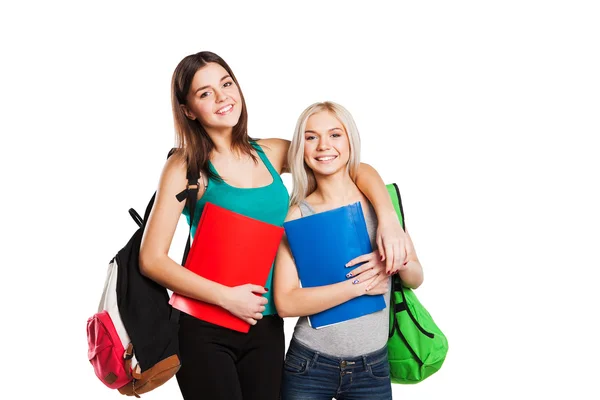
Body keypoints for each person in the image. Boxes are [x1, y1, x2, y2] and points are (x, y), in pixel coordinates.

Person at [138, 51, 408, 400]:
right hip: (205, 325)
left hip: (264, 324)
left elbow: (343, 162)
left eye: (226, 83)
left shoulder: (272, 152)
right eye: (205, 93)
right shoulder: (186, 166)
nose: (222, 97)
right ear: (188, 109)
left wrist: (388, 219)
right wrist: (226, 297)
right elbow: (152, 259)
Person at [274, 101, 424, 400]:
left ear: (350, 141)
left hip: (373, 368)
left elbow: (416, 277)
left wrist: (395, 259)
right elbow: (286, 303)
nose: (323, 145)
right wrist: (358, 285)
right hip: (310, 364)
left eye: (335, 134)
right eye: (311, 136)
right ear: (300, 147)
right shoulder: (296, 216)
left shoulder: (378, 203)